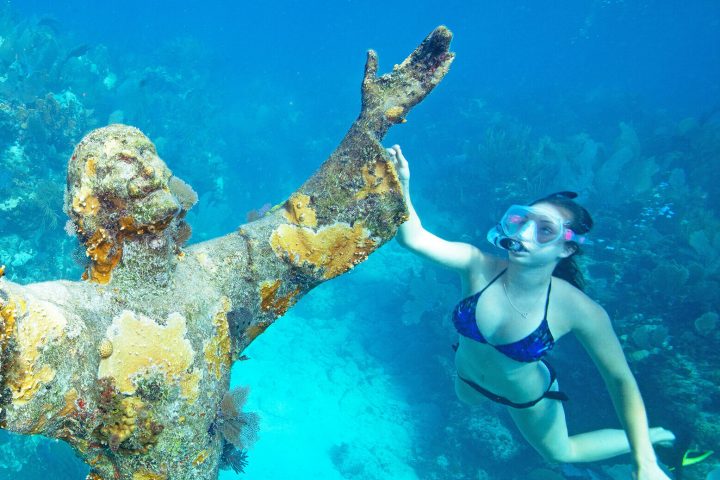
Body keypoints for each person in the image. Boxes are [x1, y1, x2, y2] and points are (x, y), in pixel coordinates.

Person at [386, 144, 676, 480]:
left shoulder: (581, 310)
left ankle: (648, 438)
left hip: (527, 398)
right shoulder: (477, 265)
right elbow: (413, 239)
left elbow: (619, 379)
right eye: (522, 220)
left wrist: (644, 463)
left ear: (566, 248)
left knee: (560, 452)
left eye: (545, 230)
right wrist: (402, 185)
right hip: (466, 381)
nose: (524, 234)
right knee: (467, 402)